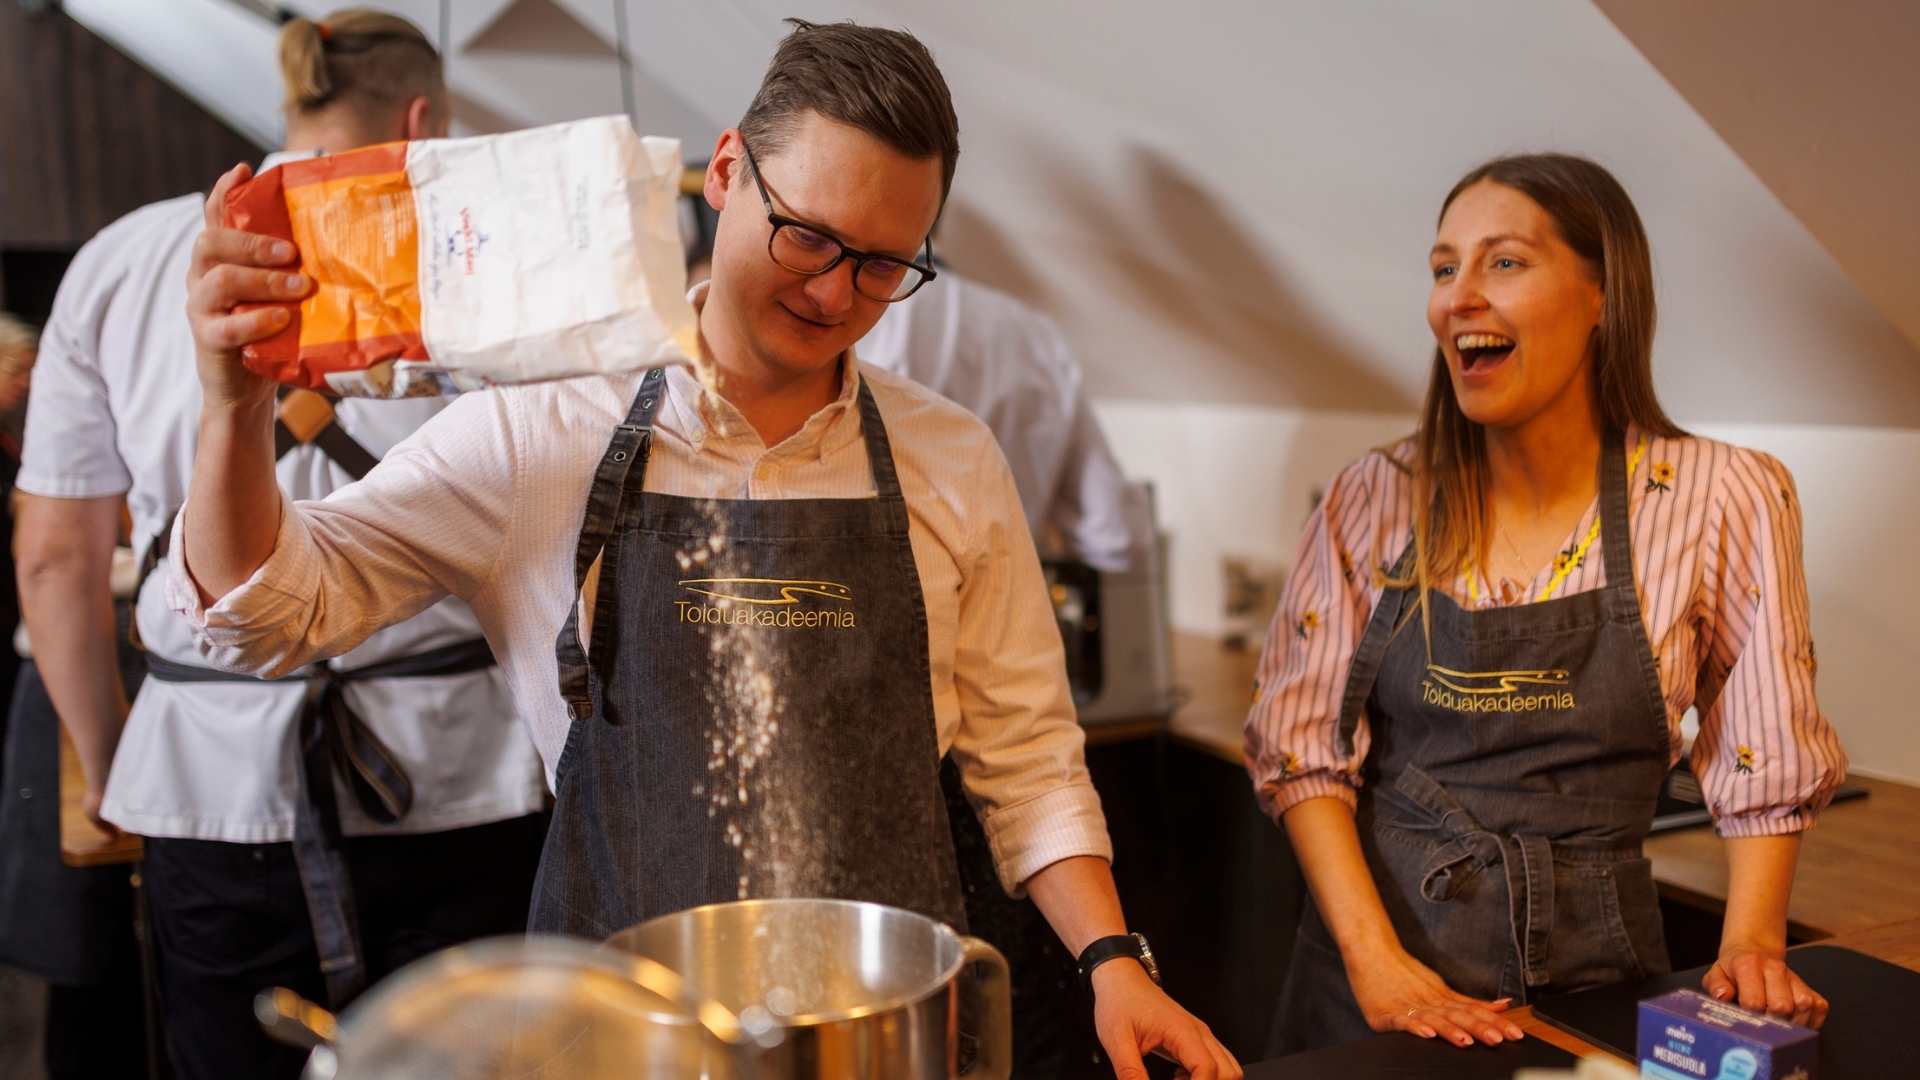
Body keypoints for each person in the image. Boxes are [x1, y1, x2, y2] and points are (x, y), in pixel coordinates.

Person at [173, 18, 1240, 1079]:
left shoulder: (950, 458)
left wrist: (1114, 961)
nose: (833, 294)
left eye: (881, 267)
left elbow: (1030, 760)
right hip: (617, 1046)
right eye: (807, 237)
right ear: (725, 172)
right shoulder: (544, 433)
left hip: (880, 1035)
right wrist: (233, 409)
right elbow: (263, 613)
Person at [12, 12, 548, 1078]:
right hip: (461, 773)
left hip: (208, 778)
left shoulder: (122, 260)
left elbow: (55, 557)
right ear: (421, 120)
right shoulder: (481, 254)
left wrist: (117, 764)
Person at [1246, 153, 1847, 1055]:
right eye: (1444, 268)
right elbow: (1302, 755)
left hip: (1593, 992)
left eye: (1504, 262)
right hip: (1369, 990)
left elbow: (1763, 753)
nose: (1458, 297)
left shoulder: (1723, 495)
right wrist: (1375, 963)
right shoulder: (1375, 497)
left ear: (1604, 293)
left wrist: (1752, 948)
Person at [861, 269, 1149, 573]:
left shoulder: (863, 316)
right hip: (1010, 589)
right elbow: (1114, 537)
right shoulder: (1036, 336)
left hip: (875, 587)